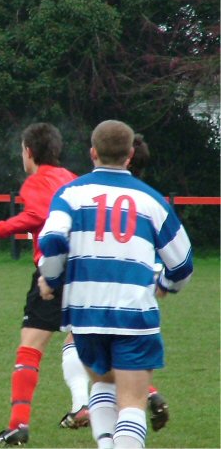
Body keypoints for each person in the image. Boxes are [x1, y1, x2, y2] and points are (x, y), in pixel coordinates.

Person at [38, 120, 193, 449]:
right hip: (134, 315)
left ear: (92, 152)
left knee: (103, 388)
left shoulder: (71, 194)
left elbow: (50, 240)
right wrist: (165, 284)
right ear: (130, 154)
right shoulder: (151, 200)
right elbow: (182, 265)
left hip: (86, 316)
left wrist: (50, 279)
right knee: (133, 401)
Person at [0, 122, 88, 446]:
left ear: (29, 152)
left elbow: (38, 214)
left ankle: (18, 424)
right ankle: (82, 406)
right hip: (86, 270)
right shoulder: (73, 179)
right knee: (84, 339)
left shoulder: (37, 181)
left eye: (22, 149)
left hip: (53, 269)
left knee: (30, 348)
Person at [127, 133, 170, 432]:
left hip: (107, 293)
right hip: (144, 297)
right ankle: (150, 393)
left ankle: (83, 407)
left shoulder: (102, 197)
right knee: (128, 361)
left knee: (84, 346)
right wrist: (166, 284)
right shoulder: (152, 200)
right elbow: (181, 259)